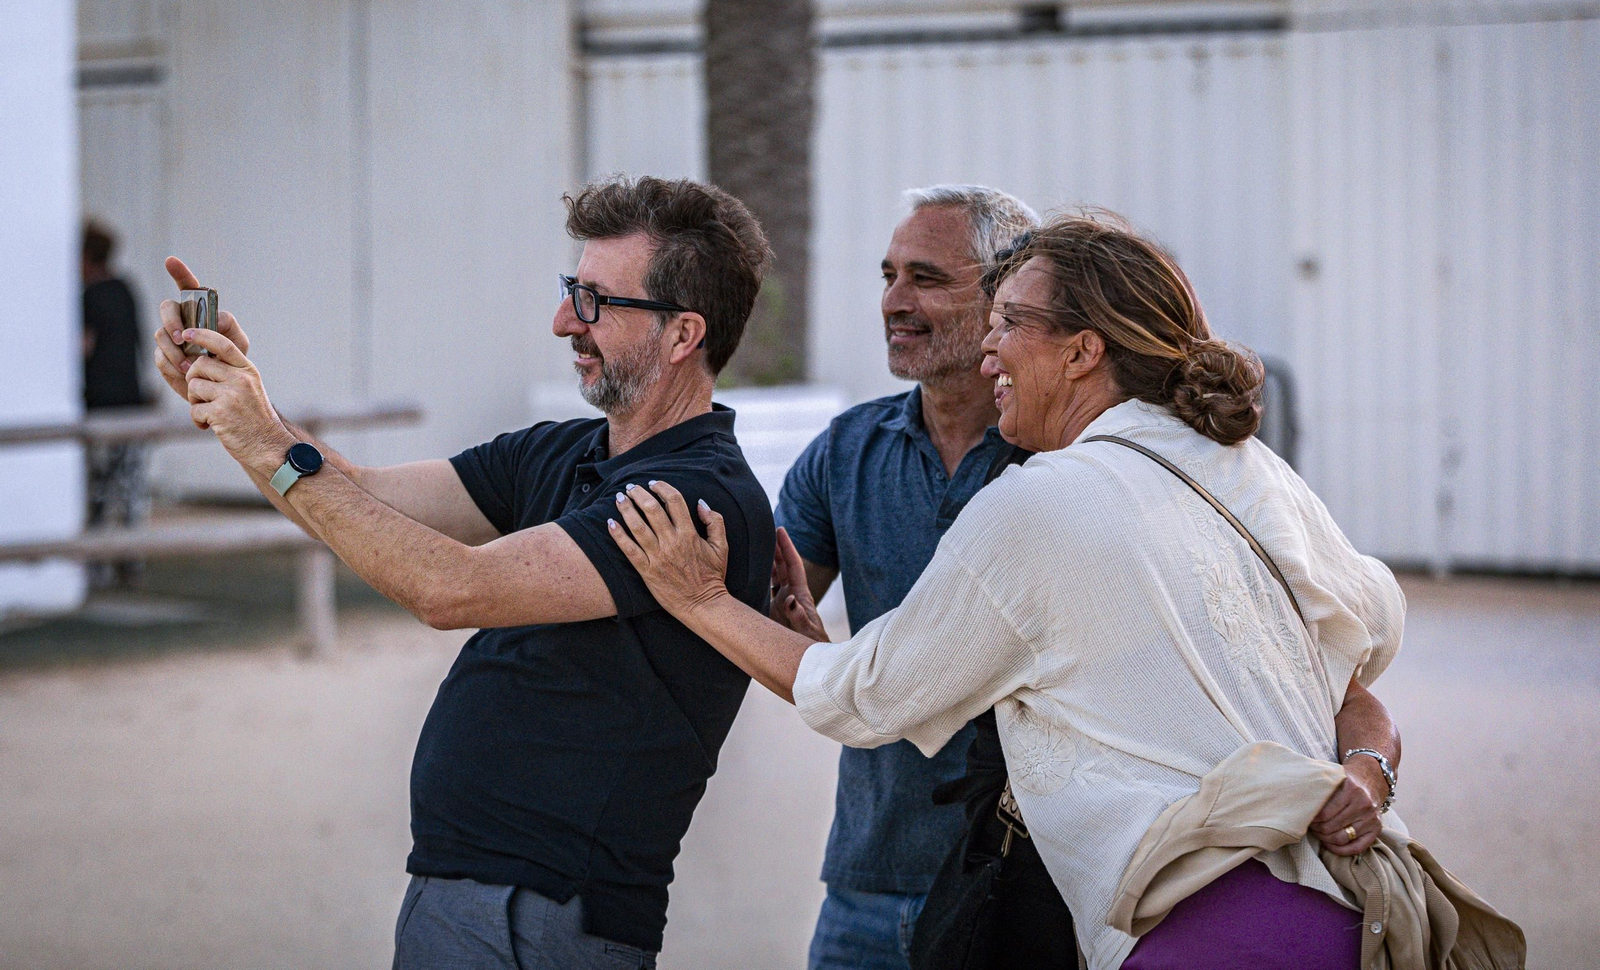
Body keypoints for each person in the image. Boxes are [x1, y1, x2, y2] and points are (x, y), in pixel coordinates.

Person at [605, 211, 1410, 970]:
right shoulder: (1251, 472)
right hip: (1348, 917)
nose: (990, 353)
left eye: (1010, 324)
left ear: (1081, 351)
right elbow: (1371, 631)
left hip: (1205, 936)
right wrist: (1366, 767)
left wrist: (700, 598)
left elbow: (862, 698)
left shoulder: (1040, 500)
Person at [150, 177, 777, 970]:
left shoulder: (690, 496)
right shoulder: (562, 450)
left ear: (684, 333)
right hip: (475, 898)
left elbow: (451, 589)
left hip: (544, 917)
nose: (563, 322)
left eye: (594, 302)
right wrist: (243, 407)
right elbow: (365, 497)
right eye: (569, 292)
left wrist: (263, 444)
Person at [774, 185, 1038, 970]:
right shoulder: (845, 450)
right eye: (887, 276)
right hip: (868, 881)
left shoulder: (1064, 458)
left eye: (925, 278)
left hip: (1030, 883)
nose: (894, 301)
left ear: (1005, 297)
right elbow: (774, 614)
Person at [81, 219, 152, 585]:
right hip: (132, 401)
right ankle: (131, 557)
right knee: (130, 482)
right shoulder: (126, 289)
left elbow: (85, 347)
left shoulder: (88, 297)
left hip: (100, 403)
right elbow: (140, 345)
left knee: (98, 483)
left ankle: (95, 562)